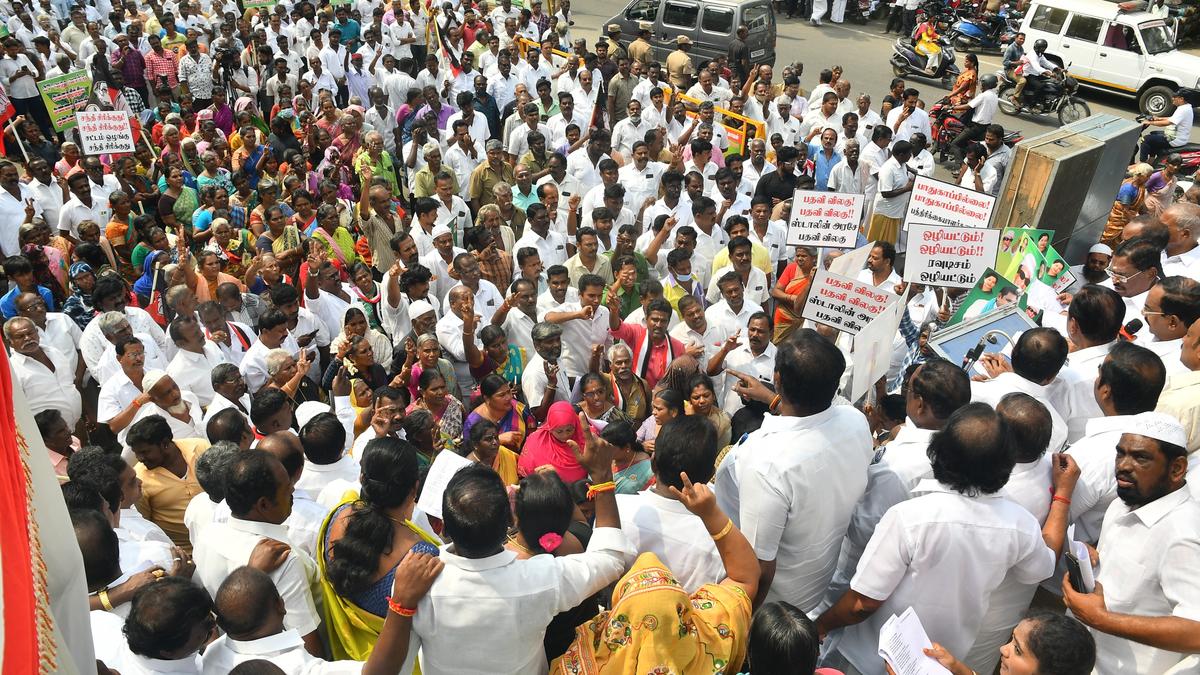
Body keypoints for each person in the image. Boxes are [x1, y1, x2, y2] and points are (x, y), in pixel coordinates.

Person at [818, 403, 1078, 674]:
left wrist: (820, 626)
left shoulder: (911, 517)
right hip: (940, 663)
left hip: (869, 658)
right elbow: (1044, 565)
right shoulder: (1020, 524)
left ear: (939, 453)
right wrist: (1062, 497)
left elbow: (863, 604)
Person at [410, 427, 627, 674]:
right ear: (510, 522)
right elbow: (610, 558)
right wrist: (601, 475)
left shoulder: (416, 580)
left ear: (445, 526)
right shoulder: (539, 578)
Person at [551, 458, 757, 674]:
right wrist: (710, 513)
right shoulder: (711, 644)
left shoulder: (584, 665)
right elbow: (746, 577)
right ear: (682, 612)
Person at [1062, 412, 1200, 674]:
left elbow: (1197, 631)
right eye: (1120, 453)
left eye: (1140, 457)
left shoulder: (1183, 533)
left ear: (1177, 468)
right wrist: (1090, 561)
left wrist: (1102, 620)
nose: (1123, 465)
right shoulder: (1122, 503)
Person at [319, 437, 440, 665]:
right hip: (395, 664)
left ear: (362, 478)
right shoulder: (422, 556)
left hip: (344, 658)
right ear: (414, 488)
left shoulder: (339, 515)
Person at [193, 449, 323, 657]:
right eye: (287, 489)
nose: (292, 493)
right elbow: (307, 642)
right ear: (263, 504)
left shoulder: (207, 535)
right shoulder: (282, 558)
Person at [1139, 90, 1193, 164]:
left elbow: (1168, 122)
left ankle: (1142, 164)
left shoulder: (1183, 110)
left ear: (1181, 99)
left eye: (1175, 97)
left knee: (1145, 139)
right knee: (1154, 134)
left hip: (1174, 139)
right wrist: (1158, 118)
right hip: (1177, 137)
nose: (1172, 98)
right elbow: (1172, 118)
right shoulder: (1185, 107)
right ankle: (1151, 161)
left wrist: (1150, 122)